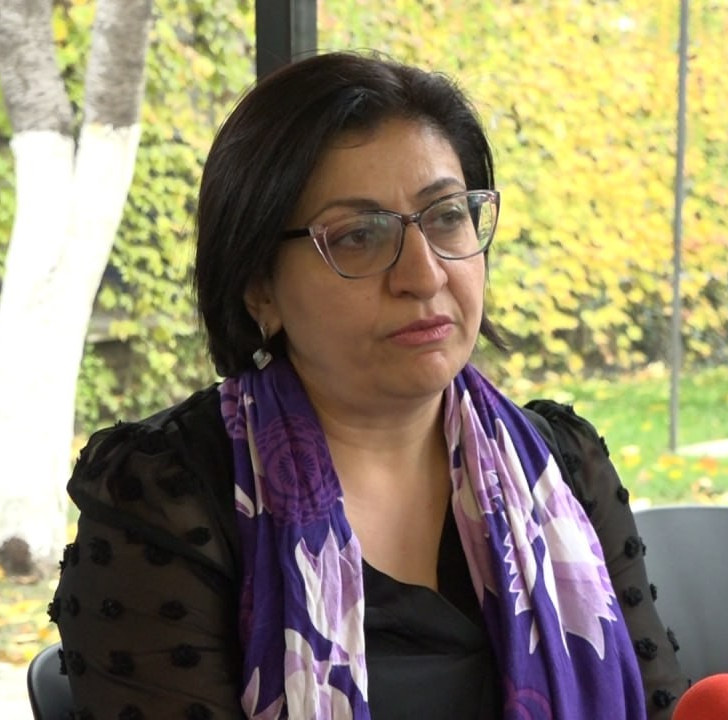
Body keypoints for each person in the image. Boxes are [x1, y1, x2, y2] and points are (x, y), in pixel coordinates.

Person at [52, 51, 688, 719]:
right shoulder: (167, 497)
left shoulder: (563, 468)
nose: (425, 274)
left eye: (447, 216)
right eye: (358, 236)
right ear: (258, 287)